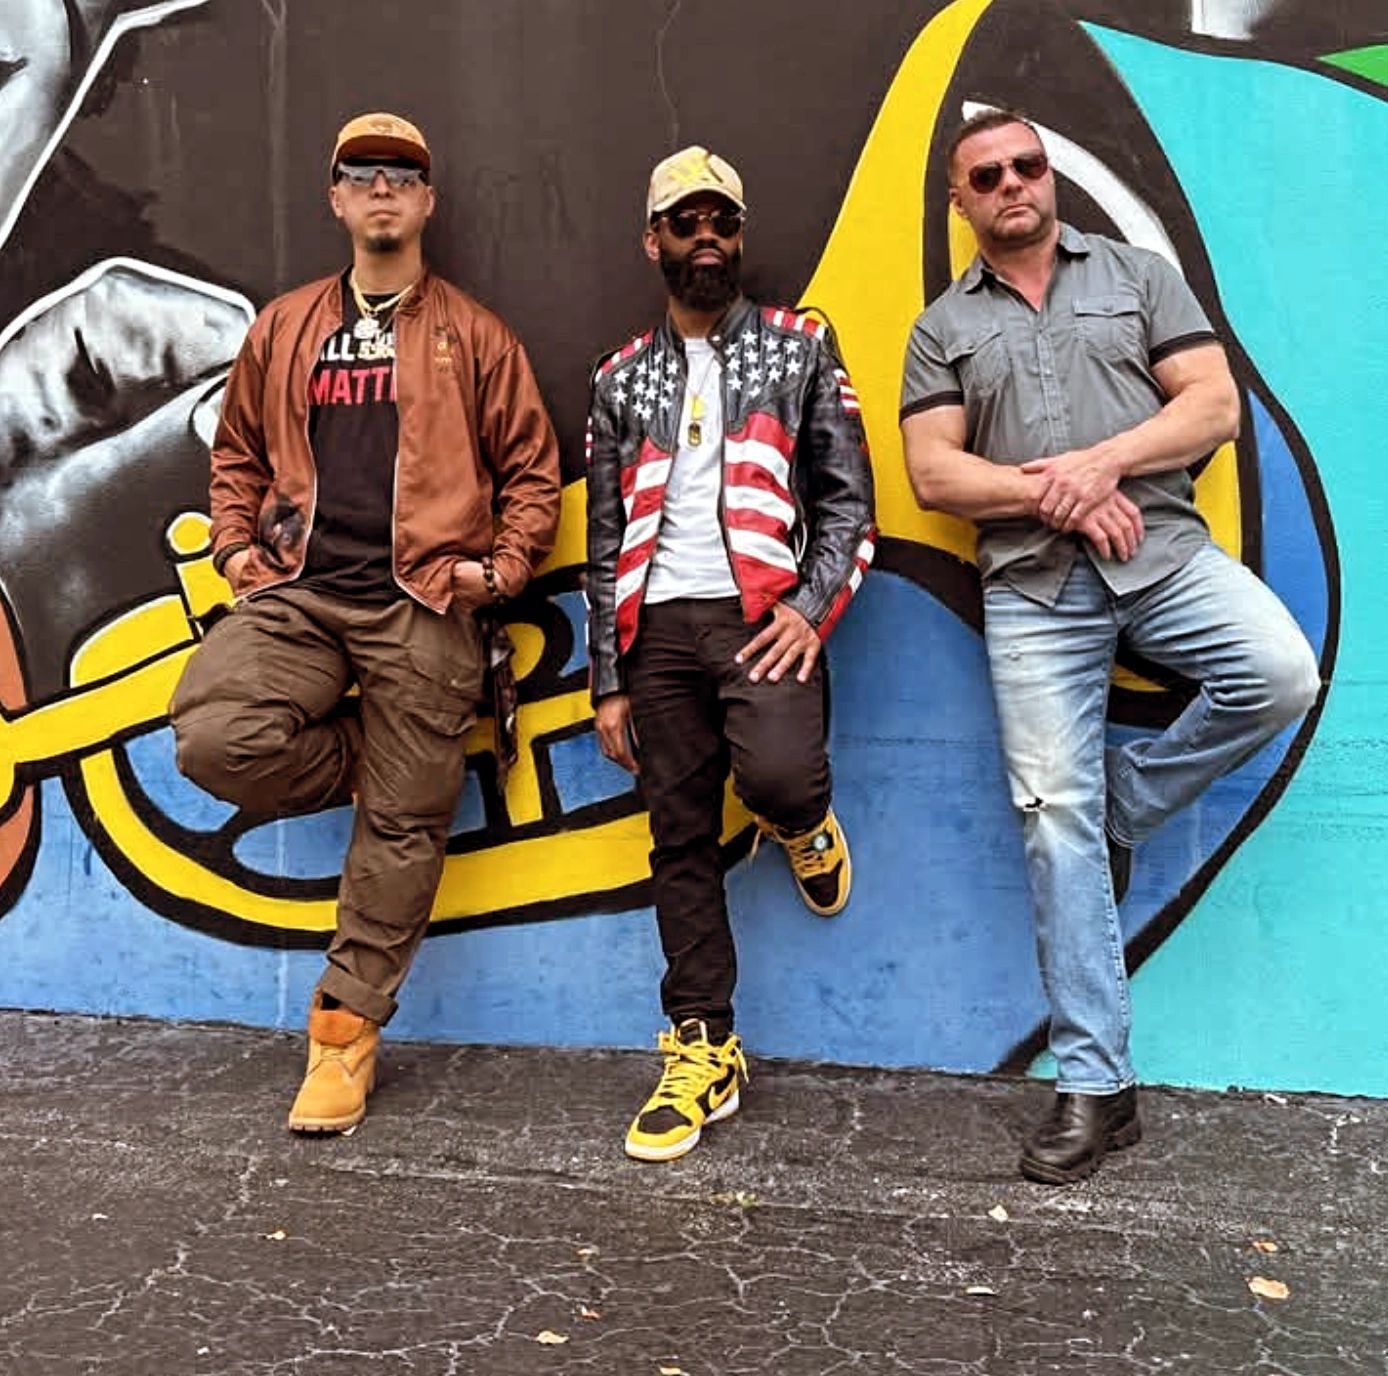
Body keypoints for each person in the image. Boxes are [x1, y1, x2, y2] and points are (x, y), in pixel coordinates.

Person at [900, 109, 1320, 1184]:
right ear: (961, 200)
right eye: (987, 175)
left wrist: (1104, 465)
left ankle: (1126, 802)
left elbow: (1212, 407)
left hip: (1162, 553)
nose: (1012, 183)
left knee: (1280, 672)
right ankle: (1096, 1084)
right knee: (1053, 822)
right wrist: (1062, 495)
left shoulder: (1138, 277)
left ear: (1049, 177)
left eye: (1026, 165)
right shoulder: (943, 327)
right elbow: (935, 474)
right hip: (1034, 591)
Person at [169, 112, 561, 1133]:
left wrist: (500, 570)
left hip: (423, 599)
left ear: (427, 202)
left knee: (402, 831)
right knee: (214, 735)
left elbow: (533, 470)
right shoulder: (285, 326)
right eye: (362, 174)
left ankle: (342, 1038)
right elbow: (236, 451)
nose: (382, 188)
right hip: (299, 590)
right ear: (336, 199)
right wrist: (234, 548)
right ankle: (384, 757)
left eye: (402, 175)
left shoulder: (476, 335)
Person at [586, 146, 877, 1162]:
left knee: (781, 776)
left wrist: (809, 607)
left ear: (740, 237)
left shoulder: (801, 347)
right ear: (653, 242)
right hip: (656, 633)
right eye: (686, 222)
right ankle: (702, 1046)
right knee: (679, 836)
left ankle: (801, 825)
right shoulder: (618, 378)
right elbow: (604, 539)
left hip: (762, 618)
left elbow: (850, 503)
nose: (706, 236)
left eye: (723, 221)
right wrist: (608, 678)